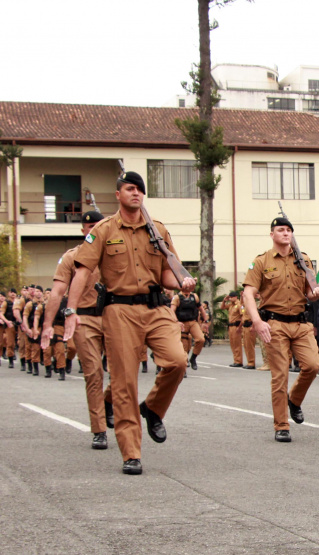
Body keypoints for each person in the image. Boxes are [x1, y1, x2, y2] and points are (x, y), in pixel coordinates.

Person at [63, 171, 195, 475]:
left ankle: (152, 408)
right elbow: (82, 271)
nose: (135, 194)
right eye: (130, 189)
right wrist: (70, 311)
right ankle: (131, 452)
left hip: (156, 307)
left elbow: (166, 272)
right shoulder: (103, 230)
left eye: (139, 190)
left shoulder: (157, 231)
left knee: (176, 362)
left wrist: (182, 282)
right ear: (118, 194)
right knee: (124, 381)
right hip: (119, 310)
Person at [243, 216, 319, 442]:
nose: (286, 233)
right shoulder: (261, 261)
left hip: (301, 323)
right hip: (274, 324)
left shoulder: (303, 259)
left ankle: (294, 400)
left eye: (289, 230)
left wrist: (317, 293)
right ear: (272, 234)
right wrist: (257, 321)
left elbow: (309, 291)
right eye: (280, 230)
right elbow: (248, 293)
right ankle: (281, 425)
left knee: (312, 366)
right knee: (280, 376)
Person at [42, 210, 109, 448]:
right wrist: (48, 324)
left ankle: (108, 403)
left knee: (124, 371)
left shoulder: (113, 254)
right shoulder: (72, 257)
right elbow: (58, 292)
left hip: (114, 317)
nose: (92, 230)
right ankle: (99, 429)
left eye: (97, 226)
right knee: (93, 373)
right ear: (83, 230)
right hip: (84, 319)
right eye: (88, 226)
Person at [171, 290, 205, 370]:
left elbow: (201, 309)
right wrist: (176, 321)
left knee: (200, 339)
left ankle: (193, 358)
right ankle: (183, 367)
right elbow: (172, 311)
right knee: (184, 347)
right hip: (182, 323)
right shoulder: (177, 298)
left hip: (193, 322)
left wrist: (205, 321)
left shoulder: (194, 296)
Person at [222, 292, 243, 367]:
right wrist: (224, 300)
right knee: (232, 344)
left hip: (236, 326)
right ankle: (235, 360)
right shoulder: (231, 305)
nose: (230, 298)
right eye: (229, 297)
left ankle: (239, 361)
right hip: (230, 326)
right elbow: (222, 308)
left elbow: (242, 316)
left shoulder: (240, 305)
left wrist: (240, 327)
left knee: (237, 344)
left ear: (236, 297)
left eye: (231, 297)